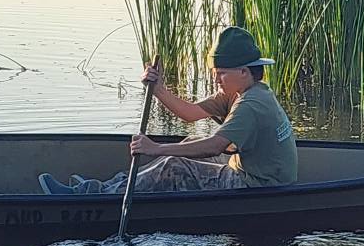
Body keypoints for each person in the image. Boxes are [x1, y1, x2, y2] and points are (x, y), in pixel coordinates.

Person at [38, 27, 298, 195]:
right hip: (254, 173)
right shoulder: (243, 92)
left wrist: (157, 149)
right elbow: (191, 114)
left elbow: (215, 146)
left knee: (173, 165)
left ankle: (95, 197)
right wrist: (158, 89)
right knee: (189, 141)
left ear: (243, 71)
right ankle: (103, 188)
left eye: (221, 74)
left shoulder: (250, 105)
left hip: (259, 186)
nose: (216, 80)